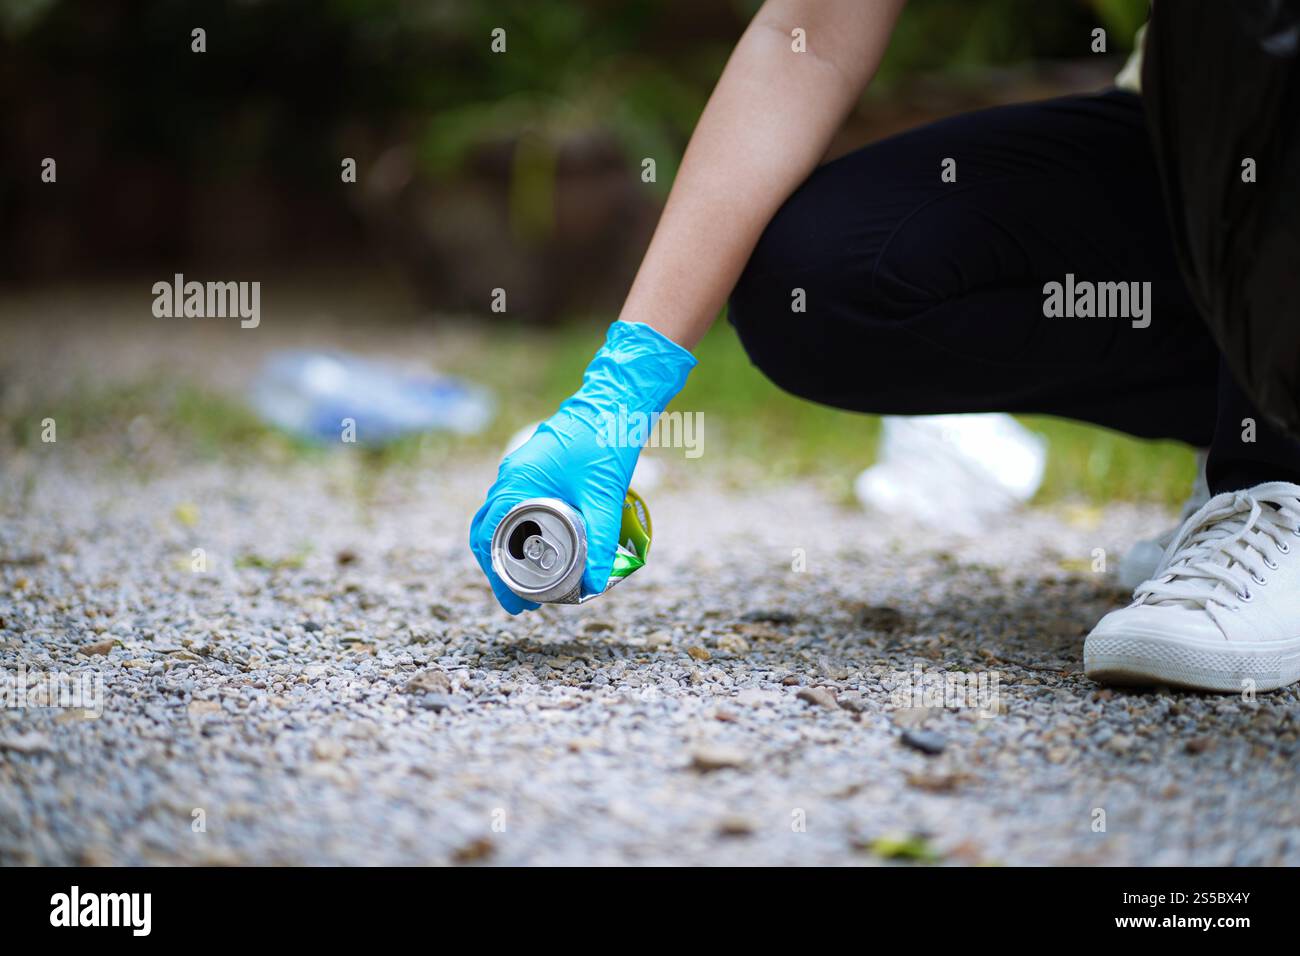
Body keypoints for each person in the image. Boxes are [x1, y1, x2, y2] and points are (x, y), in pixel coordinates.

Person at [470, 0, 1300, 693]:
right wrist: (619, 393)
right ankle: (1250, 403)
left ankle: (1276, 476)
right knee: (828, 276)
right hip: (1199, 145)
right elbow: (810, 34)